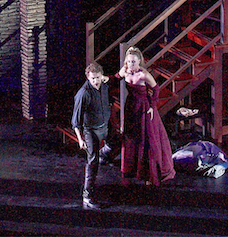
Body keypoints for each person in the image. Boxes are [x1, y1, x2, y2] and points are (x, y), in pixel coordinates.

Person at [119, 46, 175, 186]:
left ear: (139, 61)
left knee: (147, 138)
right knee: (131, 137)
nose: (131, 64)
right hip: (131, 107)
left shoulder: (144, 74)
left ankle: (149, 174)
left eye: (133, 62)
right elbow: (115, 78)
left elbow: (156, 89)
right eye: (129, 61)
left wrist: (152, 106)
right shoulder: (125, 71)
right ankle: (131, 170)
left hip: (143, 107)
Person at [71, 62, 112, 209]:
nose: (96, 81)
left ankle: (103, 154)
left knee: (117, 141)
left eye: (98, 77)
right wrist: (80, 139)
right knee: (92, 162)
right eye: (93, 78)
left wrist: (105, 78)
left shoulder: (104, 86)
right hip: (91, 131)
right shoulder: (84, 93)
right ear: (88, 78)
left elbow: (109, 79)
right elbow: (76, 120)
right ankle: (87, 196)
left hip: (105, 126)